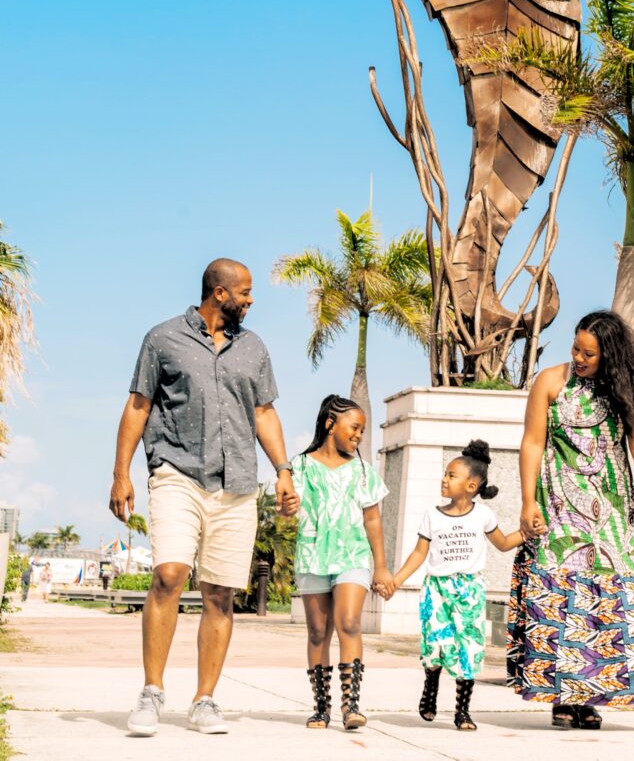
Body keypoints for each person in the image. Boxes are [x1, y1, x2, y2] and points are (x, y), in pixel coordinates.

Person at [109, 258, 300, 737]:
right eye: (246, 293)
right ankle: (152, 692)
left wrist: (283, 471)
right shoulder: (163, 339)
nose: (251, 301)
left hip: (235, 480)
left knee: (220, 594)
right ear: (220, 293)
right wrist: (120, 474)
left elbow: (265, 413)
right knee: (170, 573)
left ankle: (204, 700)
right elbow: (138, 405)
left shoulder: (253, 347)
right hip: (176, 471)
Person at [508, 310, 634, 729]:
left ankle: (590, 696)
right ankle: (563, 697)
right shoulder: (550, 382)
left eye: (589, 353)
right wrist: (528, 502)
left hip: (613, 516)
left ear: (610, 356)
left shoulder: (621, 391)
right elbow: (531, 443)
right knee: (562, 603)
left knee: (602, 606)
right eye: (576, 349)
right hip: (560, 511)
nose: (579, 358)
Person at [384, 439, 523, 732]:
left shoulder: (483, 515)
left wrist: (526, 532)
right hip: (436, 590)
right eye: (445, 474)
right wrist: (397, 580)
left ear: (472, 485)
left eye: (451, 475)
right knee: (434, 642)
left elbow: (503, 544)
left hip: (469, 591)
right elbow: (419, 553)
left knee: (469, 648)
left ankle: (462, 711)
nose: (444, 480)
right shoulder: (432, 515)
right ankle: (430, 687)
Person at [293, 394, 393, 732]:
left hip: (353, 555)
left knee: (349, 622)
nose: (360, 435)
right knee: (319, 631)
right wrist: (285, 507)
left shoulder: (363, 470)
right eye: (355, 427)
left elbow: (374, 521)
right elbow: (287, 505)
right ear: (329, 425)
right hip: (312, 555)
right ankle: (321, 707)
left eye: (363, 430)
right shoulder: (301, 466)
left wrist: (381, 567)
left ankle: (351, 707)